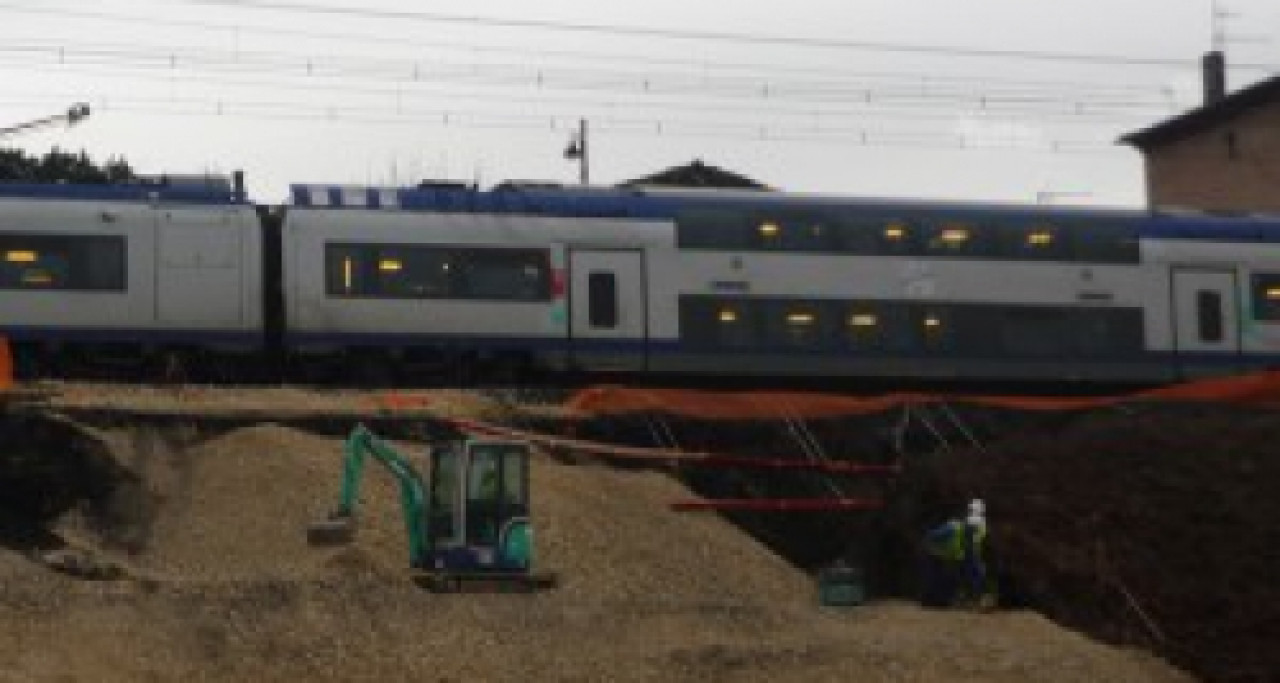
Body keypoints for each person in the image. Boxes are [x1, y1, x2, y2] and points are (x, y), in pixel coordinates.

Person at [920, 498, 990, 608]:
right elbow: (930, 537)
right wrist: (937, 551)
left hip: (963, 558)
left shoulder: (981, 528)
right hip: (942, 557)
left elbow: (976, 547)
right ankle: (939, 599)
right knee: (943, 578)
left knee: (976, 573)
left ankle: (973, 598)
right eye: (971, 528)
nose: (973, 530)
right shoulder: (952, 528)